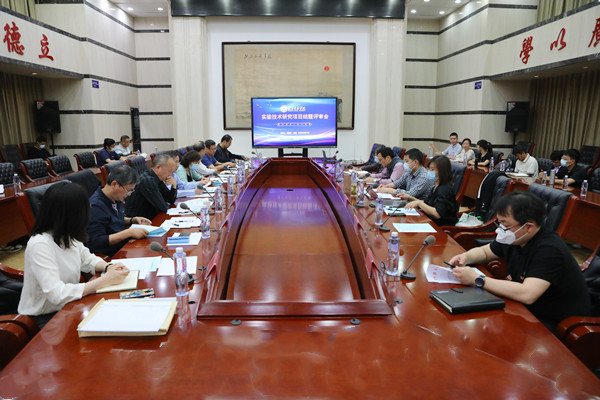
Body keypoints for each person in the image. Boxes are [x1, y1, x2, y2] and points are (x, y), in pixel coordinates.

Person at [450, 191, 591, 332]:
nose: (500, 230)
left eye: (505, 225)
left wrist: (478, 279)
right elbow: (485, 252)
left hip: (557, 323)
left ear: (528, 226)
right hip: (525, 309)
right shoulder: (514, 237)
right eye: (499, 223)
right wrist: (465, 257)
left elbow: (527, 294)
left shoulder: (550, 249)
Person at [18, 182, 130, 329]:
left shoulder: (68, 234)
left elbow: (87, 259)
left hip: (70, 305)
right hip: (45, 318)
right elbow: (57, 294)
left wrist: (109, 267)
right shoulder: (40, 244)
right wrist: (105, 280)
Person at [87, 166, 151, 257]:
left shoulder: (115, 197)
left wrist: (132, 220)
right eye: (128, 190)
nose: (129, 194)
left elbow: (112, 219)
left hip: (123, 246)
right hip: (110, 254)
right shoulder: (96, 206)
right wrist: (129, 232)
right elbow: (96, 241)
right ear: (114, 184)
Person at [403, 155, 458, 226]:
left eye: (432, 169)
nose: (429, 172)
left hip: (440, 227)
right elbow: (426, 203)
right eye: (429, 169)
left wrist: (419, 204)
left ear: (442, 172)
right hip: (430, 221)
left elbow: (437, 214)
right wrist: (411, 198)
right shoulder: (435, 186)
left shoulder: (444, 189)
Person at [125, 153, 178, 220]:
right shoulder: (147, 180)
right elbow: (162, 207)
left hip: (148, 219)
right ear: (158, 168)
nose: (171, 174)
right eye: (170, 171)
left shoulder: (158, 178)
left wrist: (174, 186)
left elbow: (170, 200)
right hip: (137, 221)